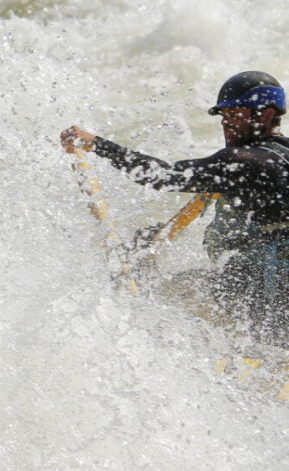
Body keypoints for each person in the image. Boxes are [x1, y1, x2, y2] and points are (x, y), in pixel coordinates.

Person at [62, 71, 289, 339]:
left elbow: (163, 176)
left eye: (234, 114)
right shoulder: (278, 154)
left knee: (171, 294)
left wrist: (98, 145)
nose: (225, 123)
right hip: (273, 284)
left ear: (263, 115)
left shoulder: (244, 161)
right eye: (223, 115)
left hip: (274, 286)